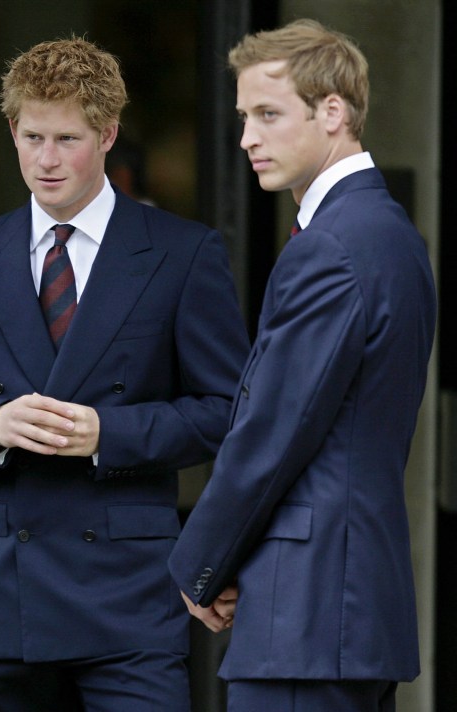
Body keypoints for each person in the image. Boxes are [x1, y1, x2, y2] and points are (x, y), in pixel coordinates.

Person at [0, 37, 250, 712]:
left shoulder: (182, 253)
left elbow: (228, 409)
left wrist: (107, 433)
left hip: (131, 597)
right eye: (32, 137)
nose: (46, 160)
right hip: (2, 595)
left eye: (67, 139)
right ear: (12, 132)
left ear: (108, 134)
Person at [168, 19, 436, 712]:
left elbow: (273, 431)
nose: (247, 138)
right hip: (345, 611)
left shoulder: (333, 247)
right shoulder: (390, 235)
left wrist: (199, 566)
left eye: (267, 114)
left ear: (333, 112)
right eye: (243, 117)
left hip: (307, 612)